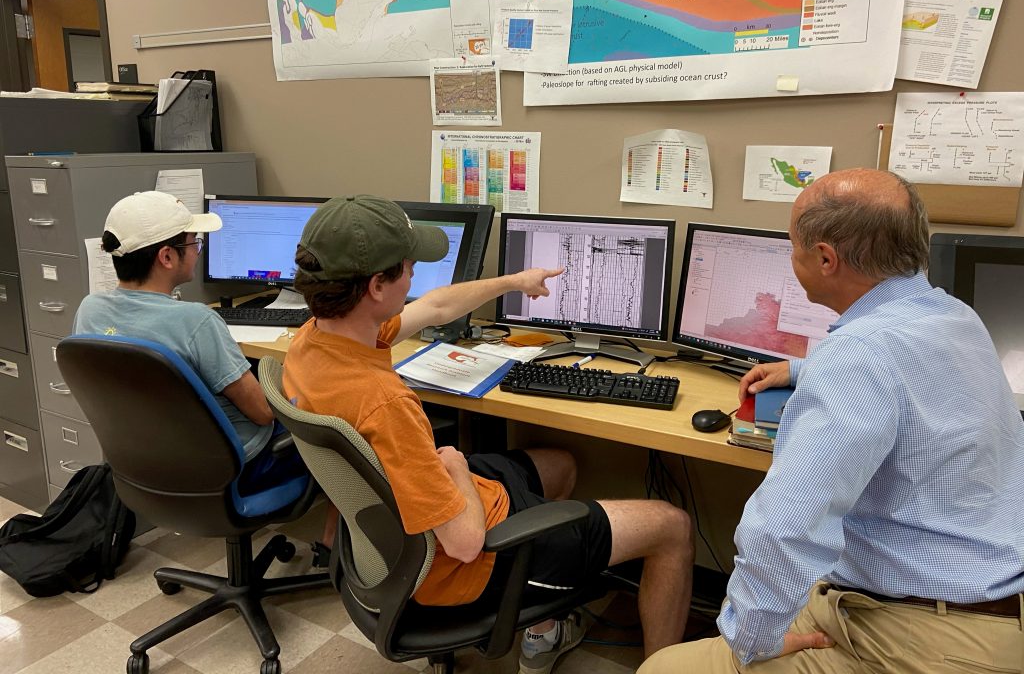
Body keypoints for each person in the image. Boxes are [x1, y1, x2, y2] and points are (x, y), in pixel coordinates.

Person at [283, 195, 694, 674]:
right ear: (377, 285)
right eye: (409, 266)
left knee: (560, 463)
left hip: (400, 535)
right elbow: (463, 541)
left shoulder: (314, 341)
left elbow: (436, 306)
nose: (416, 275)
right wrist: (455, 465)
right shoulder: (384, 402)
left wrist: (517, 282)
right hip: (463, 564)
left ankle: (542, 635)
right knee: (672, 525)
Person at [640, 168, 1024, 674]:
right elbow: (902, 374)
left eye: (792, 245)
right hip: (992, 605)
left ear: (825, 259)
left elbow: (782, 532)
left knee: (660, 670)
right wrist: (801, 368)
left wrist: (751, 642)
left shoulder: (859, 356)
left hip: (921, 636)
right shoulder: (952, 316)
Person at [73, 190, 300, 492]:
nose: (199, 251)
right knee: (337, 425)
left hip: (148, 467)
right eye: (196, 243)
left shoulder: (90, 310)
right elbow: (263, 412)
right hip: (235, 470)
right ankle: (331, 539)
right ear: (166, 256)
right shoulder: (196, 322)